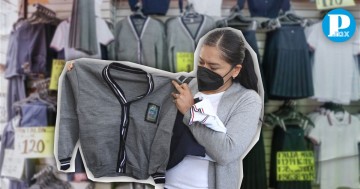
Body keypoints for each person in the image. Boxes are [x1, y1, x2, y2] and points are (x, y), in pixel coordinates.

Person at [164, 28, 264, 189]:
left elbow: (226, 153)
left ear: (236, 70)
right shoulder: (187, 86)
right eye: (201, 63)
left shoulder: (248, 101)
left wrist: (190, 112)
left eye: (214, 67)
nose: (204, 70)